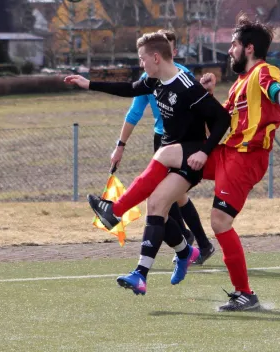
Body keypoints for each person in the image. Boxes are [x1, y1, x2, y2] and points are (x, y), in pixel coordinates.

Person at [64, 32, 231, 296]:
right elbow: (129, 89)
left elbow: (222, 119)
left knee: (160, 187)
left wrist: (205, 152)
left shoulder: (187, 86)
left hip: (189, 158)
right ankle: (160, 264)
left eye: (142, 59)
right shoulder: (155, 81)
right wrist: (89, 84)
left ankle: (115, 212)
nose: (141, 64)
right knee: (155, 207)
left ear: (155, 57)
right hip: (170, 154)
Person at [200, 14, 280, 311]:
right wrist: (209, 95)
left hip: (246, 158)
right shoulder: (239, 83)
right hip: (227, 153)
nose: (230, 51)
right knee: (177, 165)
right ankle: (182, 243)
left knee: (220, 221)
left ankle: (244, 294)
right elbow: (219, 123)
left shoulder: (263, 71)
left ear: (249, 48)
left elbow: (276, 90)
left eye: (234, 45)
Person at [111, 29, 216, 265]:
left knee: (172, 197)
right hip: (162, 141)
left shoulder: (184, 77)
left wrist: (205, 145)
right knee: (171, 197)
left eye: (166, 47)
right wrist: (120, 145)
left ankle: (194, 243)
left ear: (170, 53)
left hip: (183, 143)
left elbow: (208, 114)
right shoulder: (149, 79)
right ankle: (193, 242)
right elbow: (134, 112)